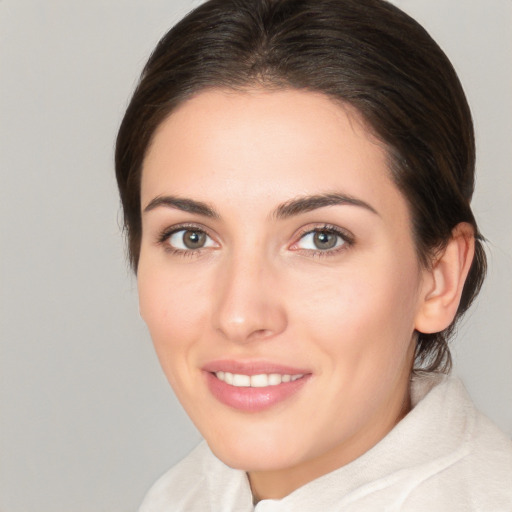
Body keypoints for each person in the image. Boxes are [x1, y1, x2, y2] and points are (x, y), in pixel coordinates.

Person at [115, 0, 512, 509]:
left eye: (322, 238)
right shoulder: (181, 496)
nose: (239, 315)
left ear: (439, 277)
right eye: (191, 237)